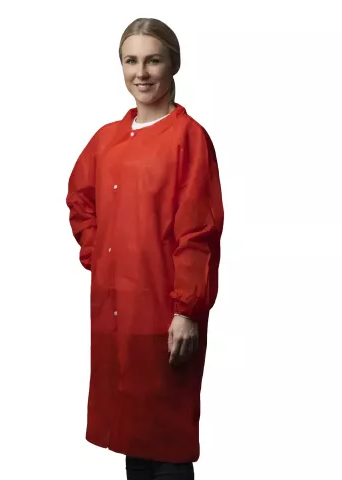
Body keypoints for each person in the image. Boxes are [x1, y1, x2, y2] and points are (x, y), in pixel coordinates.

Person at [66, 17, 224, 480]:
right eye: (130, 61)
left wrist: (186, 311)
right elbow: (80, 200)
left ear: (173, 64)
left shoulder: (188, 138)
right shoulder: (107, 139)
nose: (141, 73)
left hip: (164, 311)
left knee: (167, 440)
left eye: (153, 60)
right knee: (133, 435)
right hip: (116, 308)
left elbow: (198, 232)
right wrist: (100, 256)